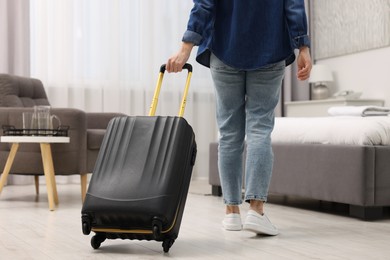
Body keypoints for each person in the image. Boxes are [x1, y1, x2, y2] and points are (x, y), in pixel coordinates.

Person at [166, 0, 312, 235]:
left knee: (229, 133)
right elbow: (293, 5)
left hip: (225, 49)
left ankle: (231, 212)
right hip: (270, 47)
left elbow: (204, 4)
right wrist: (303, 47)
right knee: (260, 128)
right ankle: (256, 210)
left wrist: (186, 48)